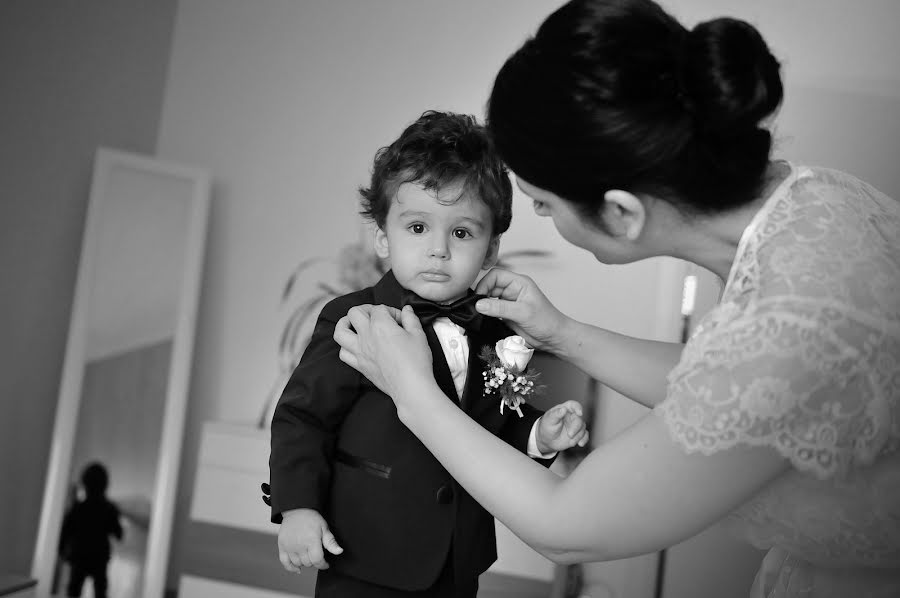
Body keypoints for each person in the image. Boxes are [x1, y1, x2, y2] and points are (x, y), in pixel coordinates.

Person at [331, 1, 900, 597]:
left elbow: (567, 524)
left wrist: (413, 393)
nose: (545, 220)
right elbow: (735, 387)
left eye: (544, 205)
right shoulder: (817, 200)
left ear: (621, 212)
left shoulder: (801, 323)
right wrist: (561, 333)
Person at [264, 110, 589, 598]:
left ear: (490, 250)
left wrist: (539, 435)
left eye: (461, 233)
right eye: (418, 228)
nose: (438, 249)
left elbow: (494, 427)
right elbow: (302, 418)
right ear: (382, 235)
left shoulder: (499, 331)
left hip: (459, 561)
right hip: (363, 553)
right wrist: (298, 508)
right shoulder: (356, 318)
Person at [58, 462, 124, 598]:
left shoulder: (78, 508)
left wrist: (62, 552)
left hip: (79, 555)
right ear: (105, 485)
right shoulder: (109, 508)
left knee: (74, 589)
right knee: (100, 590)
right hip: (99, 556)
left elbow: (65, 532)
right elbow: (118, 534)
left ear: (84, 483)